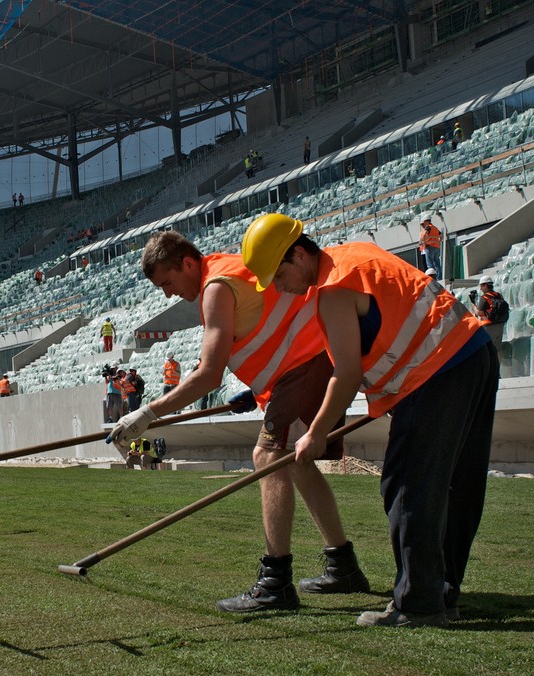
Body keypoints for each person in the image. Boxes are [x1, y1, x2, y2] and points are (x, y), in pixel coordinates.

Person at [240, 213, 498, 628]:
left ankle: (418, 605)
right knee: (455, 485)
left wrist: (317, 433)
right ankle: (440, 593)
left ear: (300, 255)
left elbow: (347, 373)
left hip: (435, 372)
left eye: (279, 273)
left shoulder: (332, 289)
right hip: (474, 352)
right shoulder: (356, 255)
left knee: (407, 488)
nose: (278, 287)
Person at [108, 229, 370, 614]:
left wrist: (146, 414)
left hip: (305, 365)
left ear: (187, 263)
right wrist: (256, 387)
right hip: (311, 360)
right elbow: (262, 325)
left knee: (267, 456)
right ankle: (342, 566)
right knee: (295, 463)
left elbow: (209, 374)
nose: (168, 294)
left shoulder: (215, 286)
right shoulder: (226, 268)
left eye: (168, 282)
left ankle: (275, 581)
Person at [474, 275, 507, 353]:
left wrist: (473, 305)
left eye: (481, 286)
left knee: (488, 350)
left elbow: (478, 312)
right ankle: (497, 364)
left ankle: (490, 365)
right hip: (500, 324)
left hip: (488, 325)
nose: (480, 288)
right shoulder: (498, 295)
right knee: (497, 349)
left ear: (485, 285)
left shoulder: (484, 297)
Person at [418, 214, 443, 279]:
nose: (423, 226)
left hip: (429, 247)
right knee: (437, 264)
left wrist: (423, 241)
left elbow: (424, 234)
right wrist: (438, 242)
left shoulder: (428, 227)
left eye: (423, 224)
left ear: (426, 221)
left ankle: (432, 278)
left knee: (430, 264)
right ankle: (439, 277)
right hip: (436, 247)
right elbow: (441, 236)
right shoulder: (435, 228)